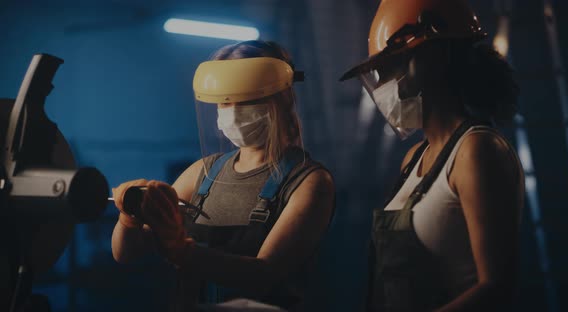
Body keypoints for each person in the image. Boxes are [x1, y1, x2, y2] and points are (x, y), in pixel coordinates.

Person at [111, 40, 334, 311]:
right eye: (224, 103)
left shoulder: (310, 182)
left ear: (278, 98)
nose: (232, 111)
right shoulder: (203, 172)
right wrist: (129, 217)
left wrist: (183, 250)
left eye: (244, 100)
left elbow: (263, 274)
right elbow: (125, 254)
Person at [340, 0, 524, 311]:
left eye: (390, 67)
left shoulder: (476, 151)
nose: (382, 85)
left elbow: (496, 288)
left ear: (433, 58)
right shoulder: (413, 157)